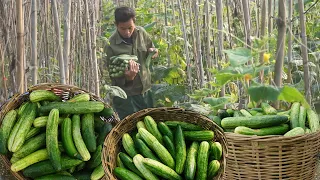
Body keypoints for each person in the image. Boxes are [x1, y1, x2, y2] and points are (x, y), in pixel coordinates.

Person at [105, 6, 159, 120]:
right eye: (122, 28)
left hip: (145, 92)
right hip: (126, 98)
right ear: (116, 25)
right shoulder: (111, 45)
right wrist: (128, 78)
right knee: (130, 128)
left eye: (130, 27)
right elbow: (112, 76)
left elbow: (151, 48)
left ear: (134, 21)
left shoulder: (141, 33)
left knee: (151, 123)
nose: (127, 32)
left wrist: (153, 52)